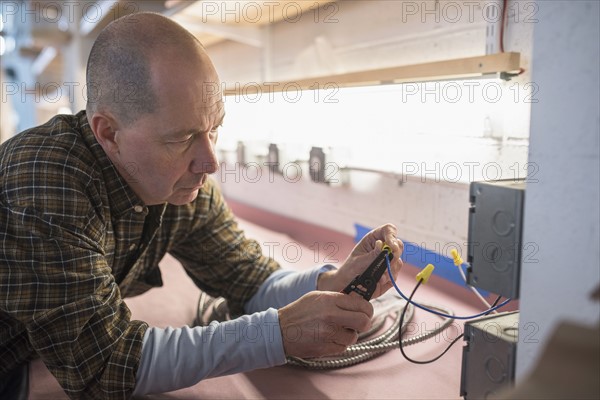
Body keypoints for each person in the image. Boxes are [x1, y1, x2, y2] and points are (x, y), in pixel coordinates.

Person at [0, 12, 403, 399]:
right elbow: (107, 365)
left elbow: (249, 279)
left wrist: (327, 284)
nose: (209, 162)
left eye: (214, 128)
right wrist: (278, 333)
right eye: (181, 138)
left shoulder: (177, 184)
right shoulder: (46, 181)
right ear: (109, 133)